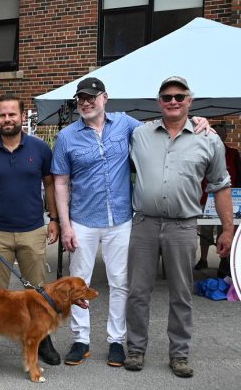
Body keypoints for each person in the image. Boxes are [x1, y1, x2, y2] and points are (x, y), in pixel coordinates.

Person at [51, 77, 211, 368]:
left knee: (120, 282)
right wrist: (65, 225)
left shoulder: (126, 125)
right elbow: (61, 183)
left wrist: (198, 120)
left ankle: (116, 340)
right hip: (83, 220)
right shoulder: (67, 137)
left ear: (105, 99)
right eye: (81, 99)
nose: (86, 103)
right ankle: (81, 339)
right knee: (78, 283)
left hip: (121, 219)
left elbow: (163, 132)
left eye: (92, 97)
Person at [125, 77, 233, 378]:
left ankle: (180, 355)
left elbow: (221, 186)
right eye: (167, 97)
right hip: (144, 224)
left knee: (181, 293)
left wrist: (227, 228)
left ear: (190, 101)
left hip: (183, 226)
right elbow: (102, 118)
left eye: (179, 97)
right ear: (159, 102)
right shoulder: (139, 134)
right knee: (137, 292)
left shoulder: (208, 139)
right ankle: (135, 349)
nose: (173, 102)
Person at [0, 93, 61, 365]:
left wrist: (54, 219)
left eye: (12, 114)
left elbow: (49, 185)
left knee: (39, 292)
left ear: (23, 116)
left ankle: (43, 340)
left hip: (32, 230)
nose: (7, 119)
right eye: (2, 115)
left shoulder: (40, 150)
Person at [194, 123, 241, 275]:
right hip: (206, 198)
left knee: (225, 230)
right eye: (217, 135)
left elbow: (238, 176)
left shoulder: (233, 153)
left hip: (227, 200)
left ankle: (224, 261)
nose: (219, 138)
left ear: (225, 136)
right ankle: (203, 259)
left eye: (222, 135)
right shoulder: (203, 151)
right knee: (205, 231)